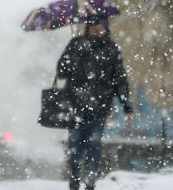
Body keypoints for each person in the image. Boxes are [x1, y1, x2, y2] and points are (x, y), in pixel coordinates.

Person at [56, 15, 133, 190]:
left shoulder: (112, 50)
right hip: (75, 105)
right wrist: (71, 59)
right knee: (74, 146)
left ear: (106, 29)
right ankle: (74, 179)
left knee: (93, 146)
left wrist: (126, 104)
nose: (97, 30)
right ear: (88, 28)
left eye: (101, 27)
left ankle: (90, 183)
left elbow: (119, 79)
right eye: (94, 27)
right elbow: (61, 71)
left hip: (100, 107)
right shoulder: (76, 45)